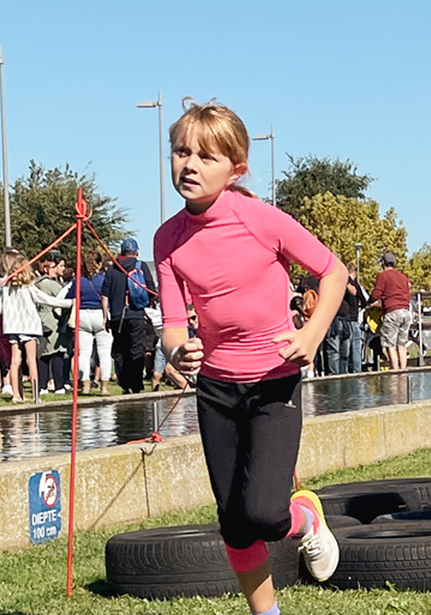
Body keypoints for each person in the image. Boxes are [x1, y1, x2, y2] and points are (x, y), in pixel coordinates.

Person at [154, 99, 348, 614]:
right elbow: (173, 324)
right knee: (233, 522)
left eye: (205, 156)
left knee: (264, 513)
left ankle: (305, 517)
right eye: (180, 152)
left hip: (273, 380)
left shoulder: (263, 220)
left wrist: (311, 334)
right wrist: (177, 349)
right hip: (215, 388)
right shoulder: (167, 240)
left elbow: (335, 273)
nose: (189, 165)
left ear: (235, 169)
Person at [0, 249, 73, 403]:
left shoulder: (6, 288)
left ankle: (16, 395)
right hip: (29, 326)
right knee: (31, 360)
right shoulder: (29, 287)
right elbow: (47, 300)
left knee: (15, 360)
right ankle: (36, 396)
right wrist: (70, 303)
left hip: (12, 328)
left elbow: (1, 309)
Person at [101, 238, 158, 394]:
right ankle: (136, 384)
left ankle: (124, 384)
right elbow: (151, 290)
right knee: (136, 349)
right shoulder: (141, 266)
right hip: (136, 314)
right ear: (137, 252)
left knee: (120, 350)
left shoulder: (113, 269)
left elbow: (105, 295)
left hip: (117, 316)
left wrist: (105, 317)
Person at [66, 258, 110, 394]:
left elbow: (70, 297)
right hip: (100, 313)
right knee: (104, 354)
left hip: (83, 314)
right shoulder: (104, 279)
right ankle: (104, 387)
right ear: (100, 263)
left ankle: (85, 386)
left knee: (83, 354)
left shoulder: (78, 280)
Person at [367, 253, 412, 371]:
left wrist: (369, 301)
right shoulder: (403, 277)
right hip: (406, 312)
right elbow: (407, 294)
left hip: (392, 312)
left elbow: (376, 293)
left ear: (383, 262)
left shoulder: (383, 276)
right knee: (401, 345)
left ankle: (395, 372)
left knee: (390, 344)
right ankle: (403, 371)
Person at [33, 255, 70, 395]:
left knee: (44, 353)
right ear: (46, 269)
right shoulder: (49, 284)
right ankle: (58, 385)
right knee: (56, 353)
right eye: (53, 267)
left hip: (41, 318)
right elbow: (62, 296)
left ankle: (43, 385)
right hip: (51, 319)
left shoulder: (38, 283)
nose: (56, 269)